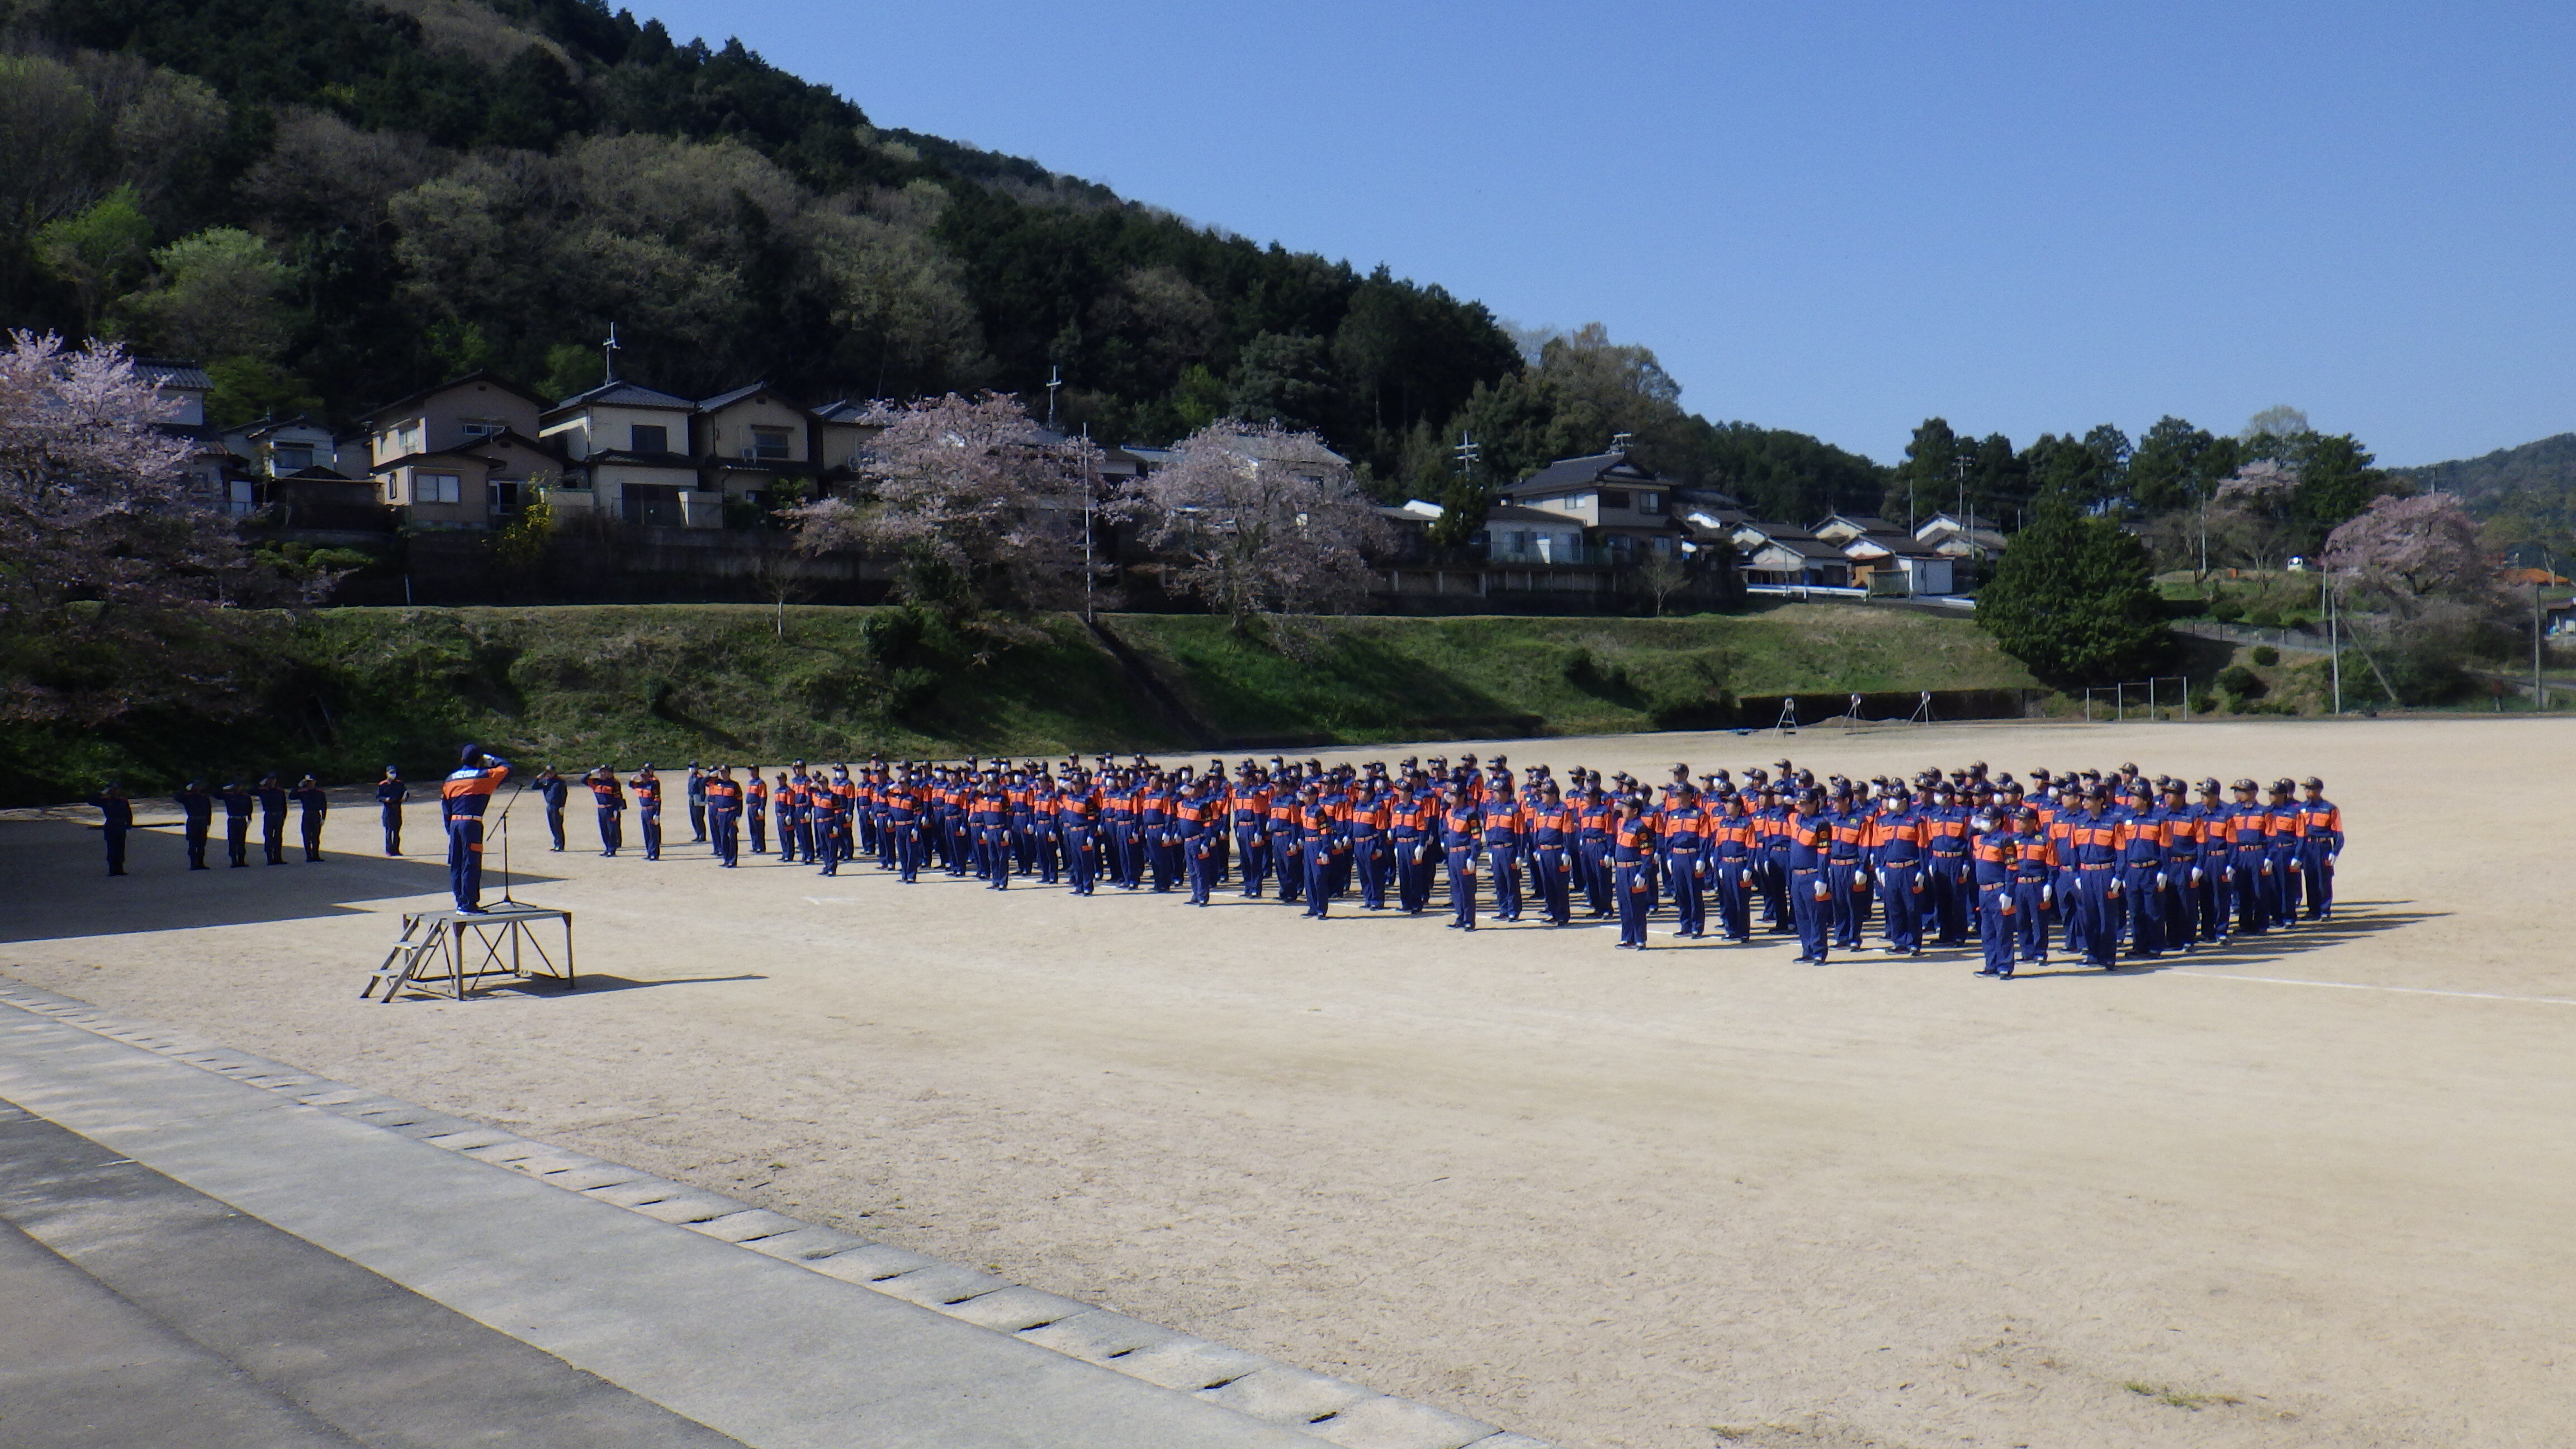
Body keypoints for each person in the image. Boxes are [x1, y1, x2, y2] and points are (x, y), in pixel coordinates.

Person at [440, 745, 513, 913]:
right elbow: (508, 768)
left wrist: (450, 829)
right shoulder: (484, 775)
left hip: (454, 823)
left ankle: (460, 901)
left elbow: (445, 806)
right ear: (480, 760)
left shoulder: (451, 779)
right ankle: (468, 904)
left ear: (462, 760)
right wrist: (491, 759)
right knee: (471, 863)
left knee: (456, 863)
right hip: (471, 824)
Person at [2298, 777, 2343, 921]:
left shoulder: (2329, 808)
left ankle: (2325, 909)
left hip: (2322, 846)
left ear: (2319, 790)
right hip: (2306, 846)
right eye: (2306, 788)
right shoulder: (2300, 808)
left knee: (2324, 879)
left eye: (2311, 789)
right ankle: (2313, 910)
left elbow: (2338, 832)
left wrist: (2335, 851)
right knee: (2310, 878)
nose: (2308, 791)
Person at [83, 782, 134, 877]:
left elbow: (129, 814)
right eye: (113, 790)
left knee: (121, 848)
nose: (115, 792)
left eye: (117, 790)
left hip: (121, 825)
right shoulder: (106, 801)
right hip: (111, 825)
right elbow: (91, 800)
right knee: (112, 848)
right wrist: (103, 792)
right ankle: (113, 869)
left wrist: (129, 825)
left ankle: (120, 869)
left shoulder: (123, 801)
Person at [171, 781, 213, 870]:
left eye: (199, 787)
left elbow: (209, 811)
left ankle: (201, 863)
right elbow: (177, 797)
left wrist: (208, 823)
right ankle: (194, 864)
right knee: (193, 843)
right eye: (196, 787)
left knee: (202, 843)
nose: (198, 789)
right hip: (193, 821)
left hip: (202, 821)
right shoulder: (187, 797)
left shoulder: (204, 798)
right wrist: (186, 789)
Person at [706, 766, 743, 866]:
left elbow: (740, 801)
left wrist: (738, 816)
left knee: (731, 837)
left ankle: (732, 861)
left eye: (725, 772)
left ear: (729, 773)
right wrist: (711, 774)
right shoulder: (718, 784)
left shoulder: (734, 785)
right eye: (721, 772)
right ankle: (726, 859)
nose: (723, 774)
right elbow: (703, 783)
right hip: (721, 813)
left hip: (731, 813)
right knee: (723, 837)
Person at [586, 765, 626, 855]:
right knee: (604, 829)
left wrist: (616, 810)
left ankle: (612, 849)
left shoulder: (613, 783)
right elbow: (583, 780)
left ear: (609, 773)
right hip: (601, 809)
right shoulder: (596, 782)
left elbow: (618, 798)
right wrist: (590, 773)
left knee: (612, 829)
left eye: (605, 772)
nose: (603, 774)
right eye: (601, 772)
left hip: (610, 808)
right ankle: (607, 848)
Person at [291, 775, 329, 861]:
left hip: (316, 814)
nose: (310, 784)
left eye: (311, 782)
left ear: (315, 782)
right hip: (307, 814)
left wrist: (323, 818)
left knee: (316, 836)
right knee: (307, 836)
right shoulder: (303, 792)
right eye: (308, 782)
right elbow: (292, 796)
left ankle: (316, 855)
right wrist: (298, 786)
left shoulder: (319, 792)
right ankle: (309, 856)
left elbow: (324, 805)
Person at [631, 763, 664, 861]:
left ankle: (655, 853)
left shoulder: (653, 785)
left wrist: (657, 814)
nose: (643, 778)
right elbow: (630, 784)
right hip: (644, 811)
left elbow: (658, 800)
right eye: (642, 776)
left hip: (651, 810)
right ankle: (649, 852)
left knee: (653, 833)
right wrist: (634, 777)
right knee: (646, 833)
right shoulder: (640, 785)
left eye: (645, 776)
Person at [254, 774, 289, 865]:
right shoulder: (264, 791)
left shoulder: (279, 791)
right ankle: (270, 858)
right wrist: (262, 785)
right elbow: (251, 791)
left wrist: (284, 816)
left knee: (278, 837)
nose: (273, 782)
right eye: (271, 780)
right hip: (269, 815)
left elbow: (284, 804)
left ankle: (278, 857)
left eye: (274, 780)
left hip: (278, 816)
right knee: (269, 836)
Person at [219, 782, 254, 868]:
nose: (238, 788)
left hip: (242, 820)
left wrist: (249, 818)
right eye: (236, 786)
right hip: (232, 820)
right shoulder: (228, 796)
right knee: (233, 841)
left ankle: (242, 860)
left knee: (241, 841)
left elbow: (250, 807)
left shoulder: (245, 796)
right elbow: (216, 794)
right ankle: (234, 860)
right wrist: (225, 788)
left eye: (239, 786)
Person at [534, 765, 569, 851]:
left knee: (558, 825)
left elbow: (564, 795)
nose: (550, 774)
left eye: (551, 772)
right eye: (548, 772)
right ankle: (556, 844)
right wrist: (539, 778)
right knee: (552, 826)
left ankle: (560, 845)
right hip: (549, 806)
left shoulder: (560, 782)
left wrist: (562, 806)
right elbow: (534, 787)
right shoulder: (546, 781)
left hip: (557, 806)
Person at [376, 767, 407, 855]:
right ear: (387, 773)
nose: (393, 774)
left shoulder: (399, 784)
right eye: (391, 772)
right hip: (388, 810)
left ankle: (396, 850)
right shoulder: (383, 785)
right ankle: (389, 850)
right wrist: (386, 799)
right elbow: (379, 797)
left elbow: (405, 793)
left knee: (397, 831)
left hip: (397, 808)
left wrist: (405, 798)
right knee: (389, 831)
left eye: (394, 772)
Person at [685, 763, 710, 843]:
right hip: (692, 798)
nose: (691, 769)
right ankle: (698, 834)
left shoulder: (699, 777)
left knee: (699, 818)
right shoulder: (691, 777)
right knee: (694, 818)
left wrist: (702, 801)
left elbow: (702, 789)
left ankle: (702, 836)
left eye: (692, 767)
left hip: (698, 798)